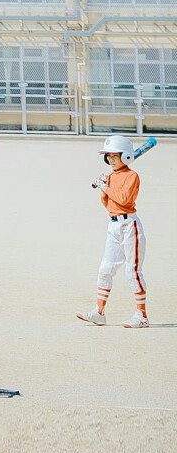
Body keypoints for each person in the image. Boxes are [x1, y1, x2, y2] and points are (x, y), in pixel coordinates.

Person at [77, 134, 148, 328]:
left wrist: (106, 187)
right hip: (113, 225)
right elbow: (109, 205)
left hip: (129, 226)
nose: (110, 159)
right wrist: (103, 190)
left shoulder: (132, 176)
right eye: (108, 156)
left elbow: (125, 200)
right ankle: (99, 312)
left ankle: (141, 315)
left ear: (125, 156)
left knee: (132, 272)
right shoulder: (111, 176)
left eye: (114, 156)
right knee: (105, 269)